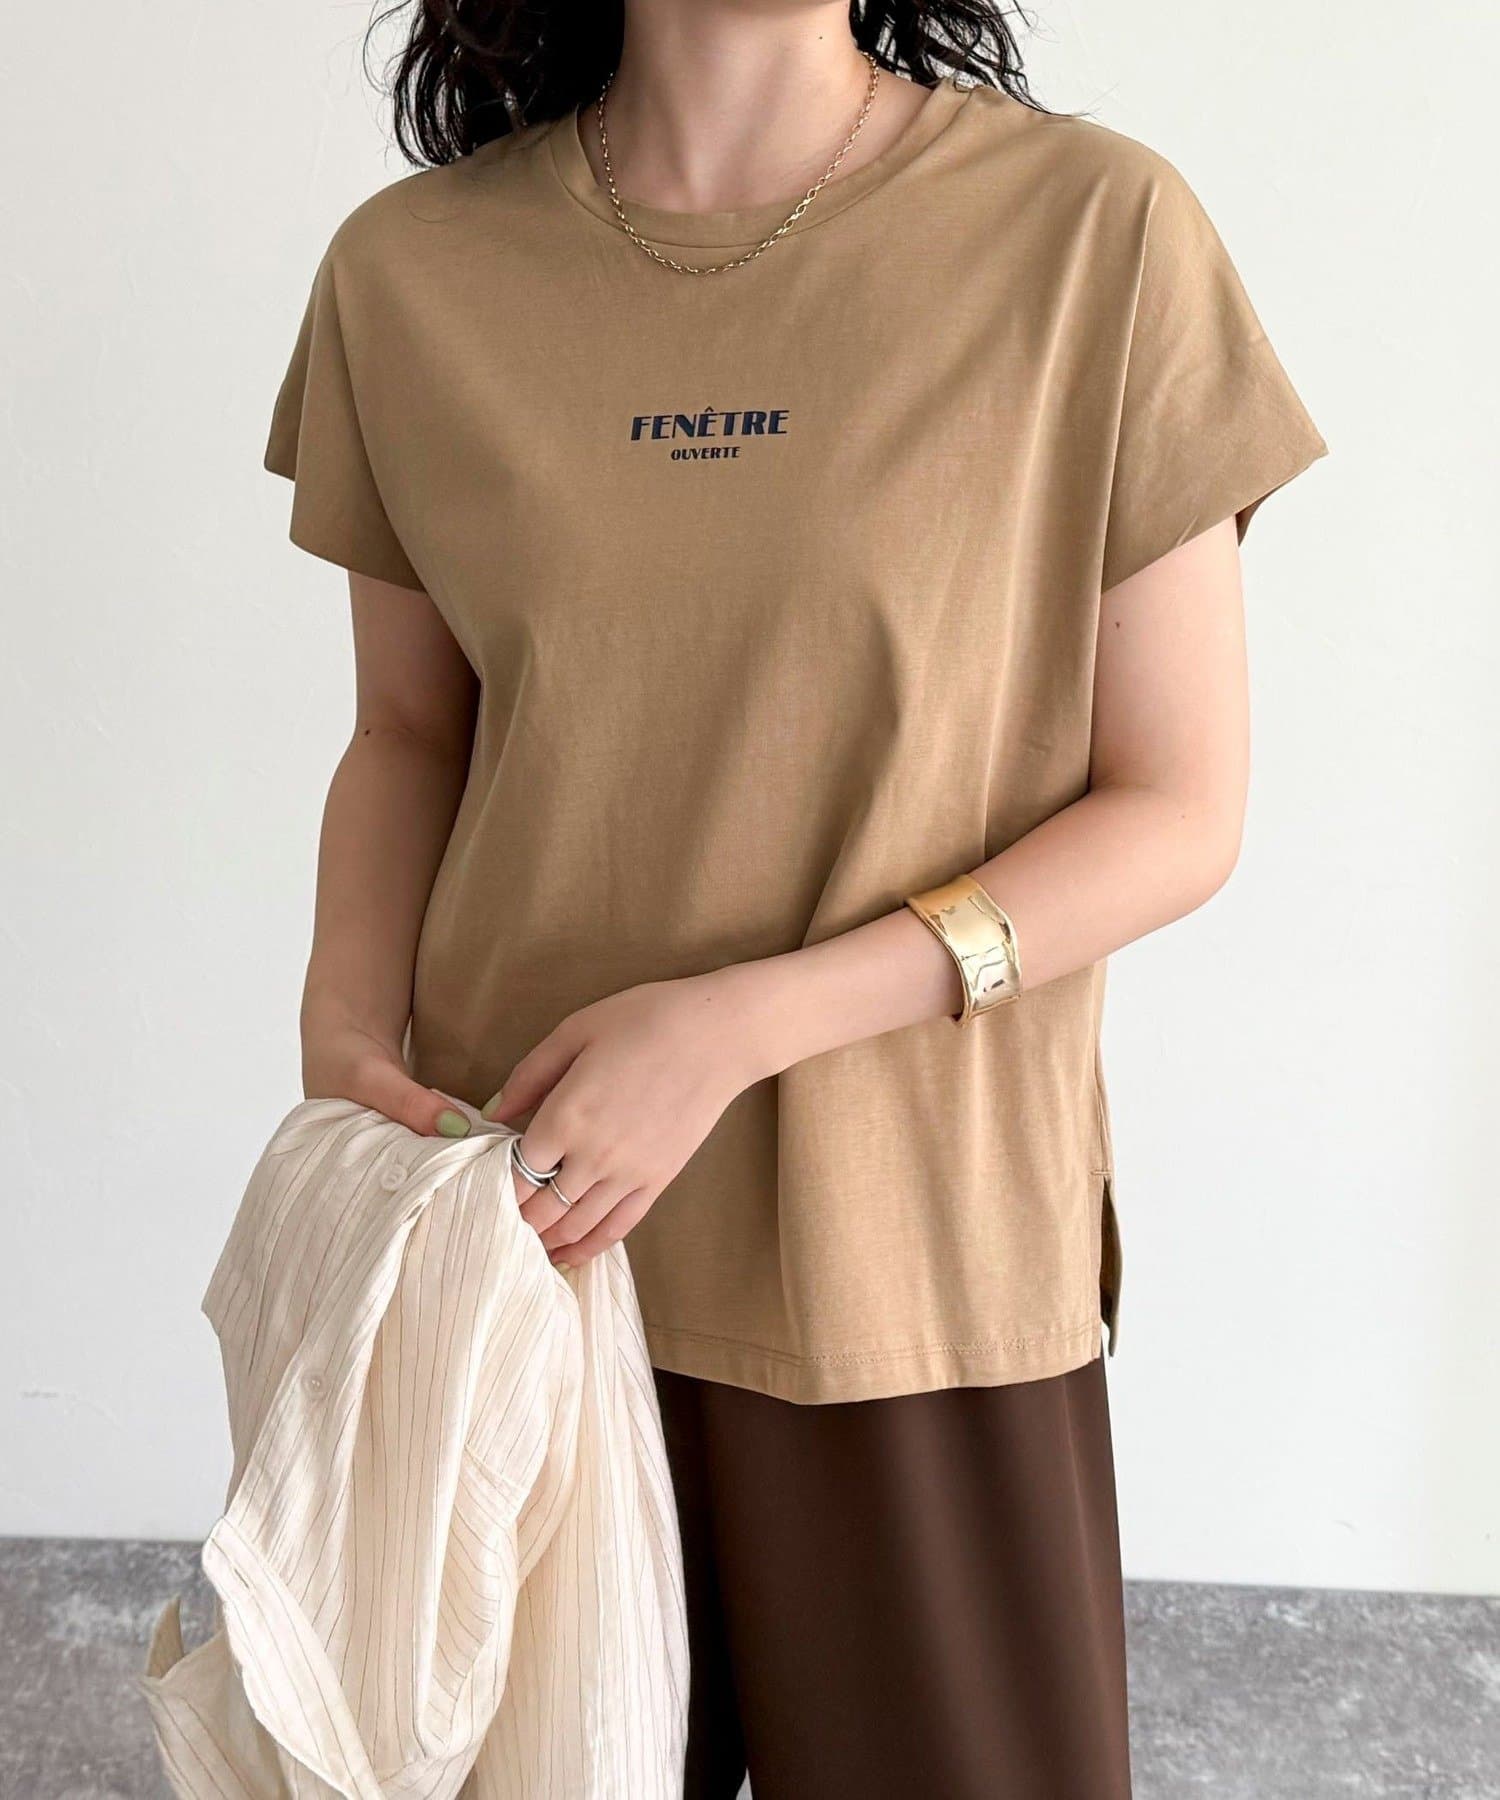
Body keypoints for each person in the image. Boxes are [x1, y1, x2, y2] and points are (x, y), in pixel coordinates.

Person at [265, 1, 1326, 1793]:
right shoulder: (412, 273)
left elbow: (1176, 808)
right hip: (524, 1239)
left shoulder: (1095, 233)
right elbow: (408, 731)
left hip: (909, 1250)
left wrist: (735, 1028)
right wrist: (342, 1027)